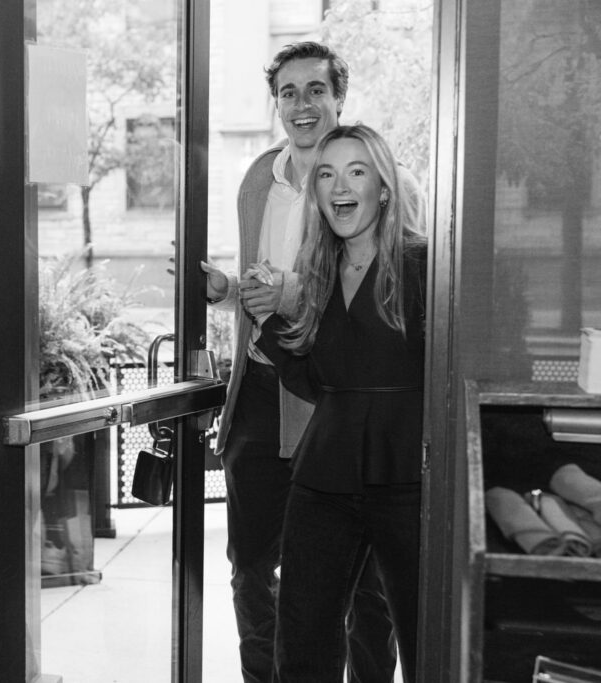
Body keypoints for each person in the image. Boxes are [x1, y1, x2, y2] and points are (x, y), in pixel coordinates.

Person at [203, 42, 423, 683]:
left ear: (338, 98)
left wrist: (292, 299)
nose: (302, 104)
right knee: (256, 566)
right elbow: (280, 299)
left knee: (369, 589)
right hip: (270, 382)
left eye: (315, 90)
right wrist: (238, 298)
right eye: (288, 93)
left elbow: (379, 313)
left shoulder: (397, 205)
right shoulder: (257, 182)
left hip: (351, 406)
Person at [256, 124, 428, 682]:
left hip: (409, 477)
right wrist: (267, 321)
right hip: (323, 476)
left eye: (357, 171)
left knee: (425, 635)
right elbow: (315, 380)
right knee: (302, 637)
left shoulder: (427, 266)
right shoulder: (318, 272)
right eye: (326, 174)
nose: (339, 186)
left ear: (384, 187)